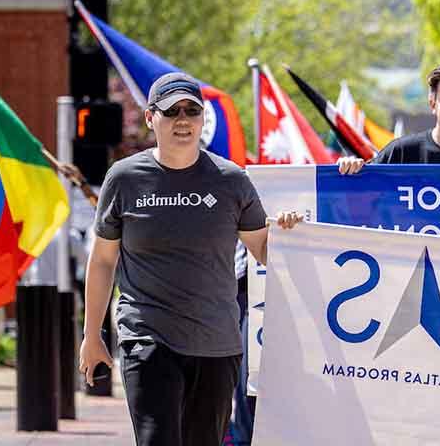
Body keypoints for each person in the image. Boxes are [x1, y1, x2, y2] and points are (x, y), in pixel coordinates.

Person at [78, 72, 300, 446]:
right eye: (172, 111)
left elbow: (264, 249)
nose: (183, 120)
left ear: (202, 118)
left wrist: (290, 232)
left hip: (217, 344)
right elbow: (102, 261)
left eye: (191, 111)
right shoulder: (124, 178)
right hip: (147, 338)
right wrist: (91, 336)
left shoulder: (231, 180)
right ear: (151, 118)